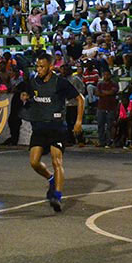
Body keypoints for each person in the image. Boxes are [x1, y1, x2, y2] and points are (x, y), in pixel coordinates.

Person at [20, 54, 84, 212]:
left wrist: (78, 121)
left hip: (56, 127)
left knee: (57, 161)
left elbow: (80, 98)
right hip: (40, 128)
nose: (38, 69)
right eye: (37, 66)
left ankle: (57, 195)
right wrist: (25, 97)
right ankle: (50, 178)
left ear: (50, 67)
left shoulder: (60, 82)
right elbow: (27, 95)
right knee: (34, 162)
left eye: (42, 66)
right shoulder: (33, 81)